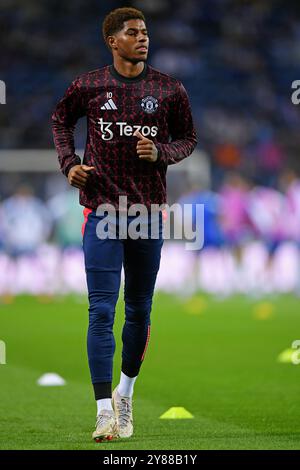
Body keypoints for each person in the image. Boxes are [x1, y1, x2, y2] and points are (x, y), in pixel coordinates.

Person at [52, 6, 197, 442]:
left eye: (145, 31)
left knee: (139, 311)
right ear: (113, 41)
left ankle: (126, 394)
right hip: (101, 211)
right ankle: (102, 412)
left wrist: (162, 153)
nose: (143, 38)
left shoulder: (169, 90)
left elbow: (188, 138)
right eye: (133, 32)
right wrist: (69, 163)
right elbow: (61, 119)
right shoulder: (89, 85)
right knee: (100, 310)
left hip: (147, 215)